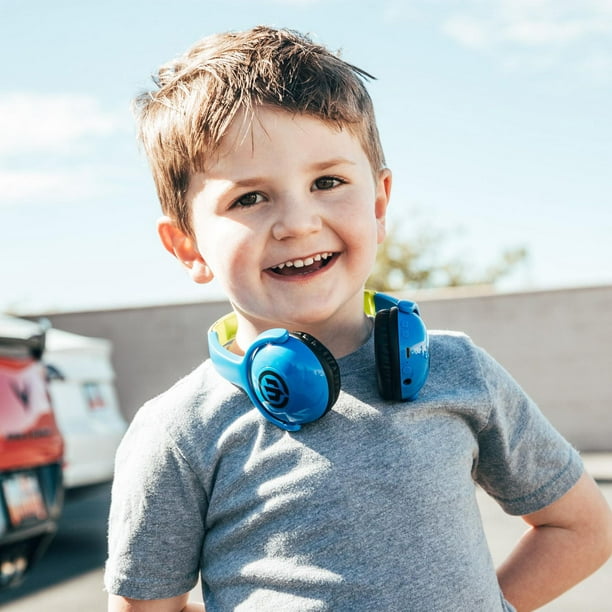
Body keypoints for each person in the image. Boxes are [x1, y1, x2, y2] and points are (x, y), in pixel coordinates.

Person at [104, 25, 612, 611]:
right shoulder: (178, 431)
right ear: (187, 246)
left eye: (328, 182)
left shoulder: (458, 370)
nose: (298, 222)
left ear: (378, 206)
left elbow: (582, 528)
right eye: (249, 197)